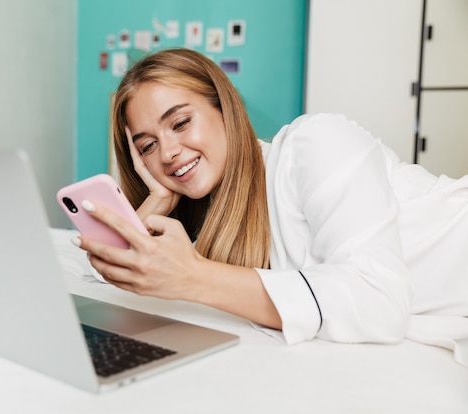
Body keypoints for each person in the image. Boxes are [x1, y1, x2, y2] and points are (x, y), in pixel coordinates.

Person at [71, 48, 468, 363]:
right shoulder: (206, 212)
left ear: (225, 109)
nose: (169, 152)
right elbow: (133, 281)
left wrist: (194, 276)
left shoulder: (316, 144)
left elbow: (379, 302)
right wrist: (157, 201)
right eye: (148, 146)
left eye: (179, 123)